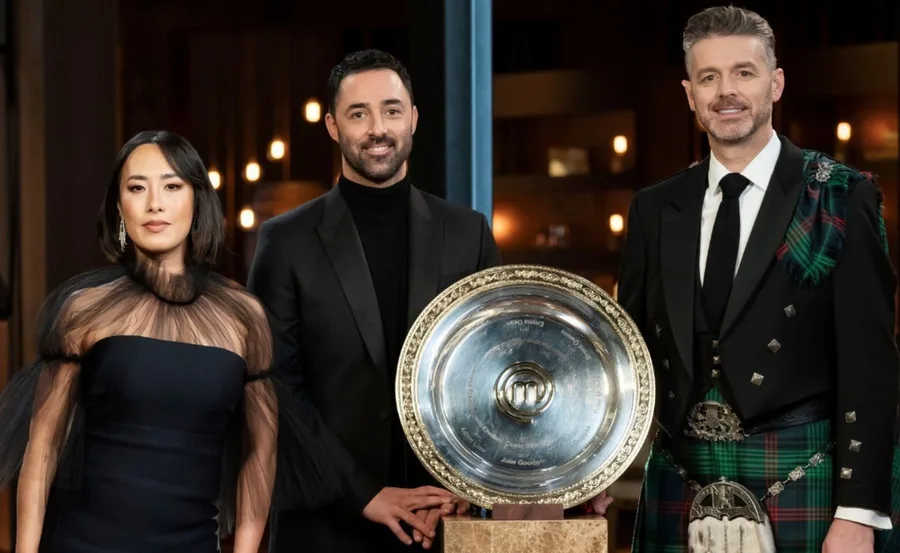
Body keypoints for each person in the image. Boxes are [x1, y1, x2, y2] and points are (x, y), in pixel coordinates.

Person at [617, 6, 900, 553]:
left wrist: (858, 513)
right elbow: (627, 352)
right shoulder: (654, 208)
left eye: (743, 73)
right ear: (689, 94)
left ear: (776, 83)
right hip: (681, 474)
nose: (727, 92)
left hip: (803, 472)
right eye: (709, 77)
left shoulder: (839, 194)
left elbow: (871, 364)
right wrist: (597, 464)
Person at [0, 130, 341, 553]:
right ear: (118, 207)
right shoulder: (85, 310)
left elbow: (260, 457)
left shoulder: (242, 317)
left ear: (197, 200)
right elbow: (42, 451)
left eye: (172, 186)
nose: (154, 203)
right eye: (137, 187)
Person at [247, 48, 502, 552]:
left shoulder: (467, 232)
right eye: (357, 114)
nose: (377, 128)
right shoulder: (285, 241)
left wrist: (463, 487)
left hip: (442, 520)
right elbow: (275, 390)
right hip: (324, 524)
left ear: (413, 118)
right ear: (332, 127)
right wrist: (364, 494)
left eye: (390, 109)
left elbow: (492, 365)